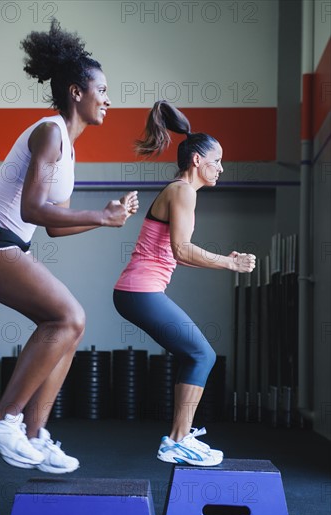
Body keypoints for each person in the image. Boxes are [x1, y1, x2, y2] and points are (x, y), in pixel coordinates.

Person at [0, 20, 138, 474]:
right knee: (69, 316)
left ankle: (33, 433)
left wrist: (108, 220)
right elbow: (32, 209)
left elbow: (55, 226)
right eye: (102, 89)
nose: (108, 98)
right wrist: (99, 216)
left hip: (8, 240)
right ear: (76, 91)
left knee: (68, 329)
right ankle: (1, 421)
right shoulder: (50, 132)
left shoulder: (68, 150)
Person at [113, 100, 255, 466]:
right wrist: (230, 262)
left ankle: (180, 437)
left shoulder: (181, 191)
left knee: (195, 354)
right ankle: (177, 440)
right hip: (138, 291)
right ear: (196, 161)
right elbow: (182, 250)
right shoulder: (183, 191)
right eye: (217, 160)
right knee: (201, 354)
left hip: (140, 291)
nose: (221, 168)